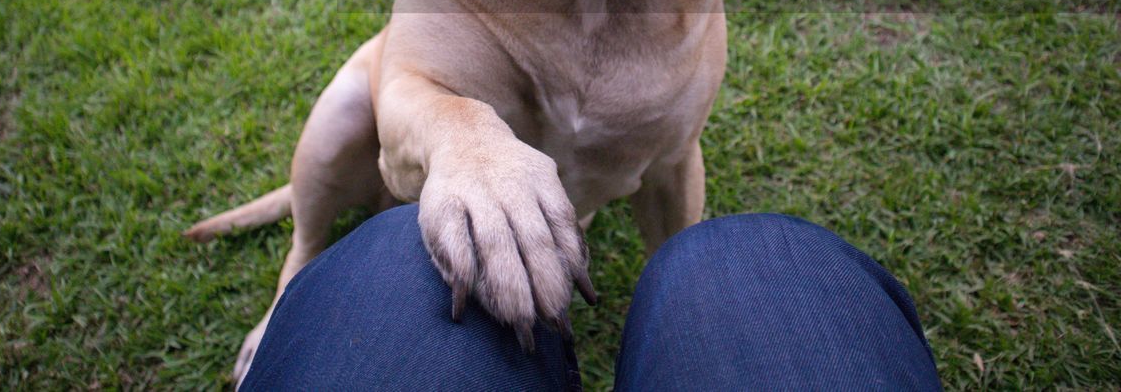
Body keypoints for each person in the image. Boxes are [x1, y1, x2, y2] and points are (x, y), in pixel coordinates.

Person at [241, 204, 942, 390]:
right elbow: (402, 126)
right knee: (740, 264)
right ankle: (300, 253)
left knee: (403, 252)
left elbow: (674, 154)